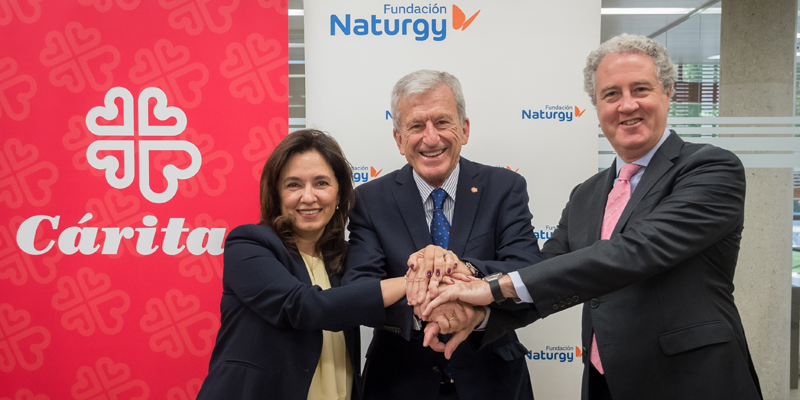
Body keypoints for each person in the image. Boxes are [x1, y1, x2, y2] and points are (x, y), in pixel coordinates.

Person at [423, 34, 763, 400]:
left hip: (693, 383)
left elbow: (634, 251)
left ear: (668, 92)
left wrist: (490, 287)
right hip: (604, 383)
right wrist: (481, 315)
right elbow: (549, 272)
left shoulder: (710, 168)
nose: (626, 105)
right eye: (611, 94)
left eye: (641, 89)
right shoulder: (587, 193)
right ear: (597, 106)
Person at [342, 70, 542, 400]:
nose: (431, 138)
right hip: (398, 383)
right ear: (398, 138)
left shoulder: (504, 188)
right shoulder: (369, 200)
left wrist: (465, 271)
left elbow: (528, 271)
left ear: (464, 129)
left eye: (442, 122)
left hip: (493, 382)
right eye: (416, 126)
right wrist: (431, 309)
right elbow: (360, 289)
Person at [196, 129, 408, 400]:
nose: (308, 197)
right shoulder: (248, 244)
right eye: (293, 185)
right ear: (276, 192)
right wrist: (407, 282)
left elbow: (370, 306)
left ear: (339, 191)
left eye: (321, 183)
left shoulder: (346, 258)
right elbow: (304, 307)